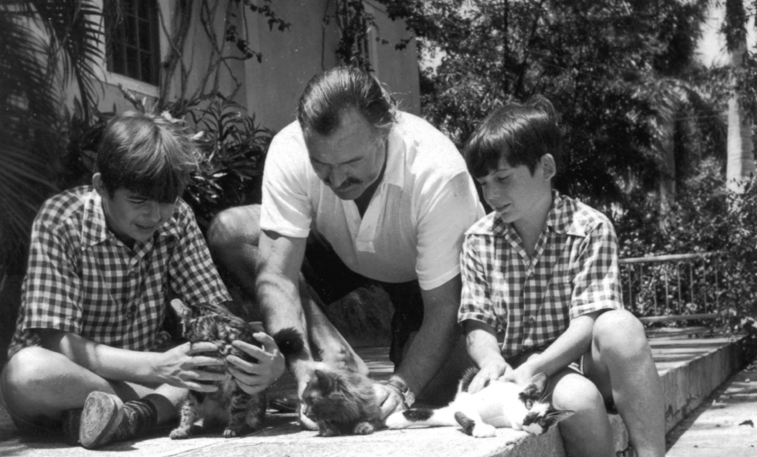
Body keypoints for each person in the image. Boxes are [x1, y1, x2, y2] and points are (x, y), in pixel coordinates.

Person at [208, 66, 484, 427]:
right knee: (233, 231)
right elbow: (277, 276)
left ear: (385, 132)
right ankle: (333, 347)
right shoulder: (290, 148)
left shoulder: (439, 174)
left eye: (352, 162)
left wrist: (402, 387)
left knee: (417, 403)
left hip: (425, 283)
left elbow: (444, 309)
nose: (337, 179)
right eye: (321, 164)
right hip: (340, 251)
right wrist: (302, 364)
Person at [0, 112, 285, 449]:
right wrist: (160, 366)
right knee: (25, 371)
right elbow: (56, 341)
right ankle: (148, 411)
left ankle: (120, 418)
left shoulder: (176, 219)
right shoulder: (61, 219)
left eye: (166, 201)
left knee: (207, 364)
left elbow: (217, 314)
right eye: (138, 201)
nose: (155, 216)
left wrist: (268, 363)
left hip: (148, 376)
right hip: (69, 381)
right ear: (102, 186)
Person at [458, 97, 665, 457]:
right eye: (484, 183)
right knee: (577, 400)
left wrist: (537, 365)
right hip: (522, 373)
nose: (491, 195)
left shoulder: (590, 227)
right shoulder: (478, 239)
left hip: (581, 359)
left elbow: (589, 320)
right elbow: (477, 322)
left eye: (503, 178)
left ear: (546, 167)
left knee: (620, 325)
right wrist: (491, 359)